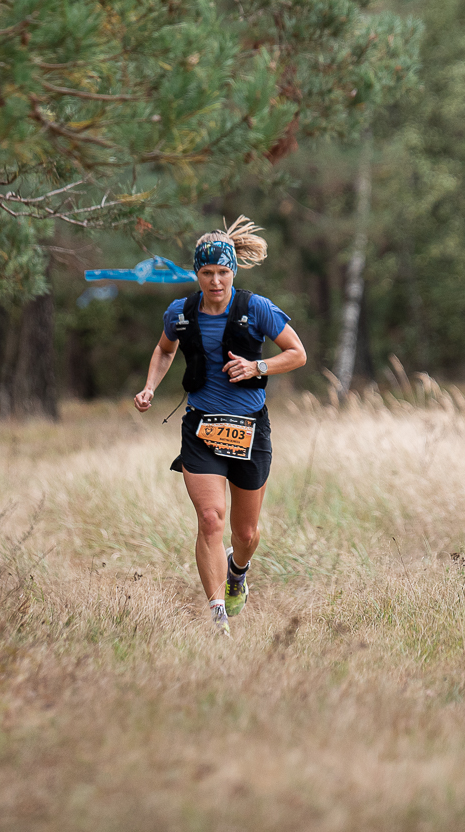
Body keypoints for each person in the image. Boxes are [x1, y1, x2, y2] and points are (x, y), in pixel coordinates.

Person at [134, 218, 307, 637]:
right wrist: (149, 387)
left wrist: (257, 365)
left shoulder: (256, 309)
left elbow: (297, 353)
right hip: (201, 426)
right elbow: (163, 350)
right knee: (211, 519)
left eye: (223, 272)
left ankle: (238, 571)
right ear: (197, 273)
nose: (215, 281)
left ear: (234, 271)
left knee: (245, 533)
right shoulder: (180, 312)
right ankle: (217, 618)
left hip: (249, 428)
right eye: (207, 273)